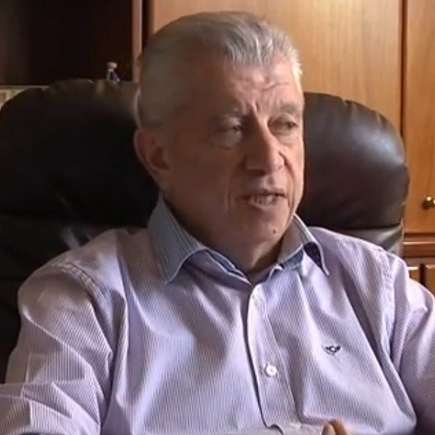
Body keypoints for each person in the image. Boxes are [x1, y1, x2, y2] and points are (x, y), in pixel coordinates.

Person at [0, 11, 434, 435]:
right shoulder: (85, 300)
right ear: (158, 156)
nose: (269, 159)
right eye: (231, 129)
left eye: (285, 124)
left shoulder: (379, 286)